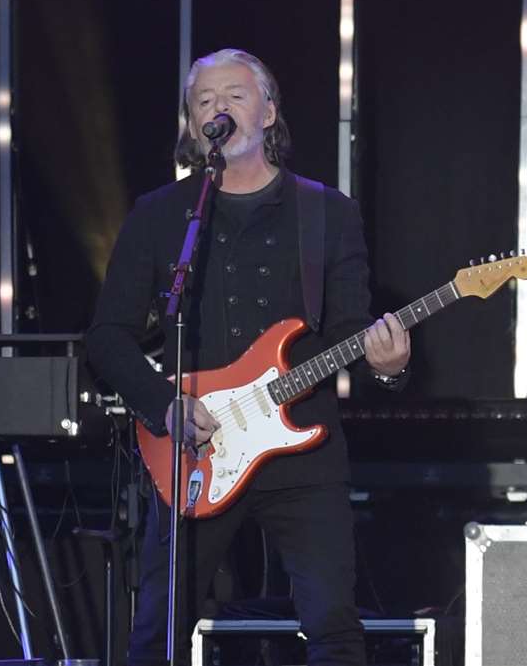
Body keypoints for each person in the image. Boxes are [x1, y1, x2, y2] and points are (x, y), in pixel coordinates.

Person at [86, 48, 410, 666]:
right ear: (191, 125)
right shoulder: (160, 216)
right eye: (204, 101)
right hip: (194, 451)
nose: (219, 109)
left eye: (235, 95)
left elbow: (350, 328)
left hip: (304, 456)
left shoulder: (326, 212)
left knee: (335, 630)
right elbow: (107, 335)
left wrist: (386, 367)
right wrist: (164, 407)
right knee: (156, 632)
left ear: (269, 111)